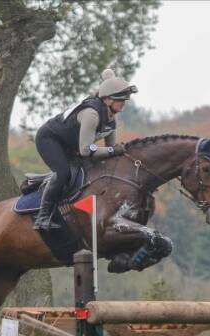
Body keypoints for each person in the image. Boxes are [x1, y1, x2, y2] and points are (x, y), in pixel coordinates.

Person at [32, 69, 137, 231]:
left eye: (125, 99)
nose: (124, 102)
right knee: (64, 172)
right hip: (49, 139)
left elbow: (110, 152)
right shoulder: (91, 114)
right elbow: (86, 151)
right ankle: (43, 217)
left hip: (71, 145)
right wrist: (113, 150)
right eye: (121, 99)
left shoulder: (111, 121)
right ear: (107, 99)